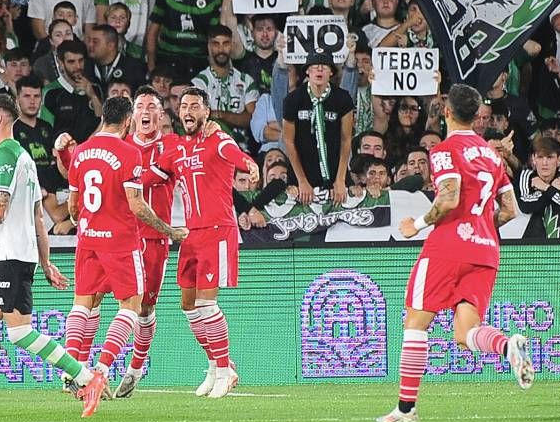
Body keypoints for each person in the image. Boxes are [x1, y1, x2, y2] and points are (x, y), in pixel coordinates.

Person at [0, 93, 108, 420]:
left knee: (19, 332)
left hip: (10, 256)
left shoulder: (4, 157)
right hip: (9, 255)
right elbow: (38, 217)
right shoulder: (24, 158)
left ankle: (87, 377)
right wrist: (45, 261)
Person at [380, 84, 530, 422]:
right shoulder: (492, 156)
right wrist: (478, 226)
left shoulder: (444, 151)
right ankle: (509, 348)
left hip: (448, 247)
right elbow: (509, 210)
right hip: (486, 250)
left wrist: (415, 225)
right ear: (477, 114)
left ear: (446, 111)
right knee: (465, 334)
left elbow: (448, 197)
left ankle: (405, 410)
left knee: (416, 324)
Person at [66, 95, 188, 402]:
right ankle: (102, 370)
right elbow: (136, 204)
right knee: (132, 306)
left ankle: (72, 368)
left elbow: (73, 206)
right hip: (122, 241)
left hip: (88, 238)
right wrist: (170, 230)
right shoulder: (128, 152)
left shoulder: (80, 152)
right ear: (128, 120)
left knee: (83, 304)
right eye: (139, 109)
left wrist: (89, 222)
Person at [153, 87, 259, 398]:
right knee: (188, 305)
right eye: (184, 105)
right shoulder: (176, 149)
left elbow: (237, 156)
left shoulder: (218, 139)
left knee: (206, 303)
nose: (188, 111)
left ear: (206, 112)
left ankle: (226, 370)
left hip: (217, 231)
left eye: (195, 106)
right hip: (189, 234)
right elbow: (152, 176)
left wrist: (250, 166)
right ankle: (215, 364)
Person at [282, 52, 355, 205]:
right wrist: (301, 181)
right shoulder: (293, 99)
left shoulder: (342, 98)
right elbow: (288, 141)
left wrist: (340, 179)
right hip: (302, 169)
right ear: (307, 71)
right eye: (314, 67)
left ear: (331, 72)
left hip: (335, 169)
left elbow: (346, 139)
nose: (319, 70)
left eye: (324, 67)